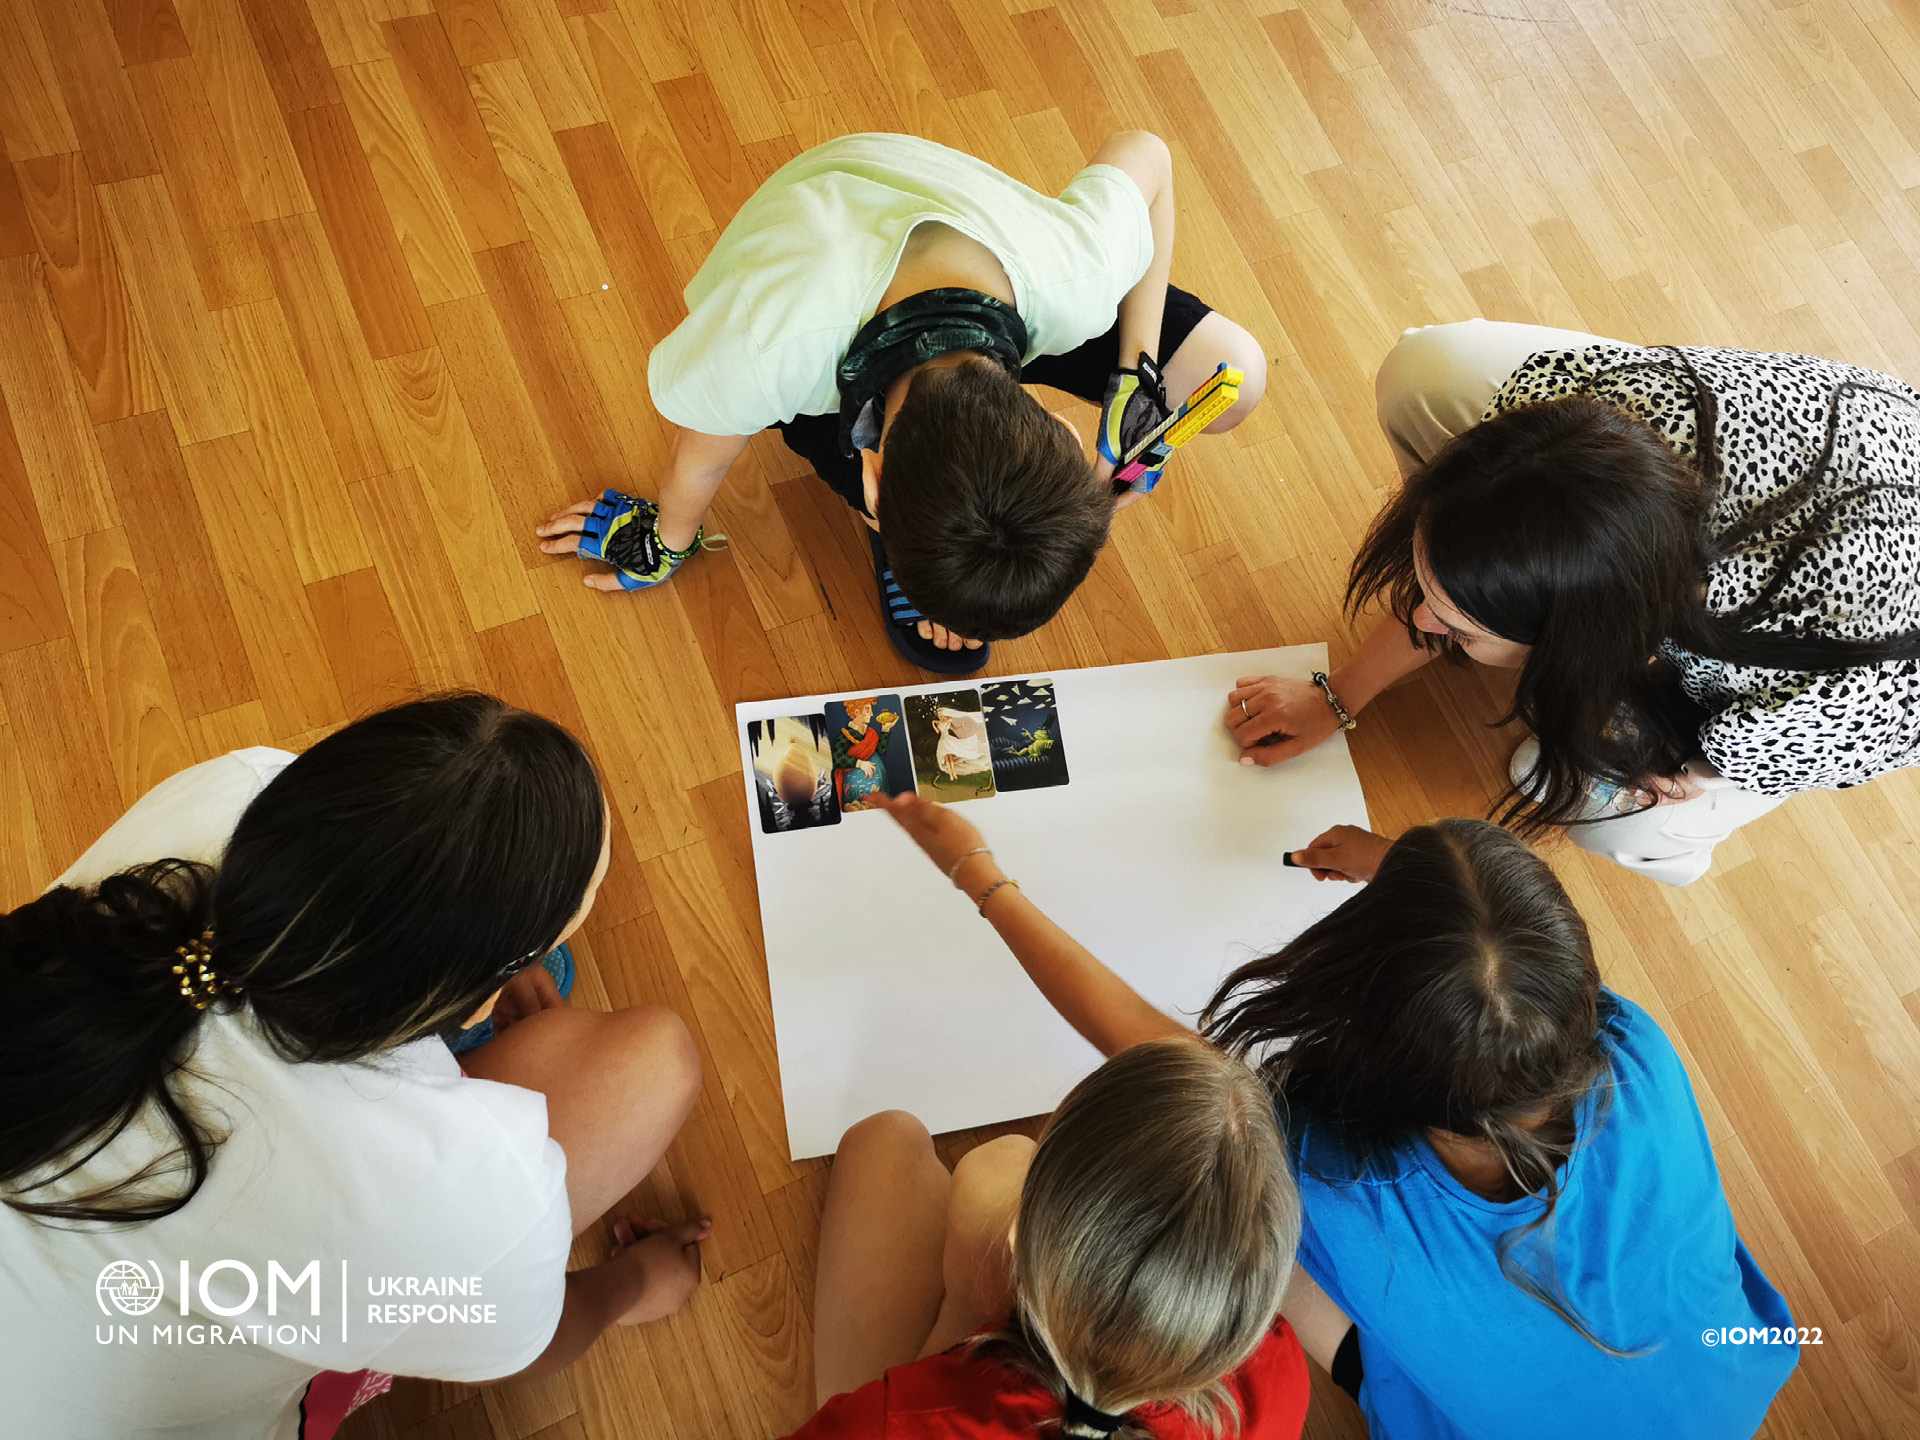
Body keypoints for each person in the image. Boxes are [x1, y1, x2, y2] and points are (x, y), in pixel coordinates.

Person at [871, 793, 1797, 1439]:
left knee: (1227, 1204)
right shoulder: (1633, 1044)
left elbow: (1143, 1045)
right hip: (1728, 1381)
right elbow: (1503, 988)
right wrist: (1395, 869)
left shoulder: (1333, 1176)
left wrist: (978, 874)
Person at [1, 696, 706, 1440]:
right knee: (654, 1064)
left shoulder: (238, 784)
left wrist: (470, 982)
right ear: (483, 987)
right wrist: (631, 1284)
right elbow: (513, 1344)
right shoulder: (456, 1199)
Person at [534, 131, 1266, 674]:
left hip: (996, 267)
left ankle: (936, 516)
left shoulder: (1081, 271)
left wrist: (1134, 375)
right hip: (827, 237)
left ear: (1072, 441)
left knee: (1236, 375)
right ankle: (932, 520)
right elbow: (697, 461)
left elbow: (1154, 155)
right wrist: (665, 538)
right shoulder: (767, 350)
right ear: (870, 482)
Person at [1225, 319, 1920, 884]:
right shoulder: (1589, 409)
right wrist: (1341, 695)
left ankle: (1672, 843)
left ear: (1581, 644)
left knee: (1604, 808)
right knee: (1424, 373)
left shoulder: (1822, 695)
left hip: (1853, 661)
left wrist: (1679, 769)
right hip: (1825, 466)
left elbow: (1708, 759)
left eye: (1457, 624)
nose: (1420, 620)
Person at [789, 1037, 1309, 1439]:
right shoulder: (1279, 1373)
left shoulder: (893, 1422)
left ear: (1017, 1240)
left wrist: (968, 1310)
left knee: (886, 1141)